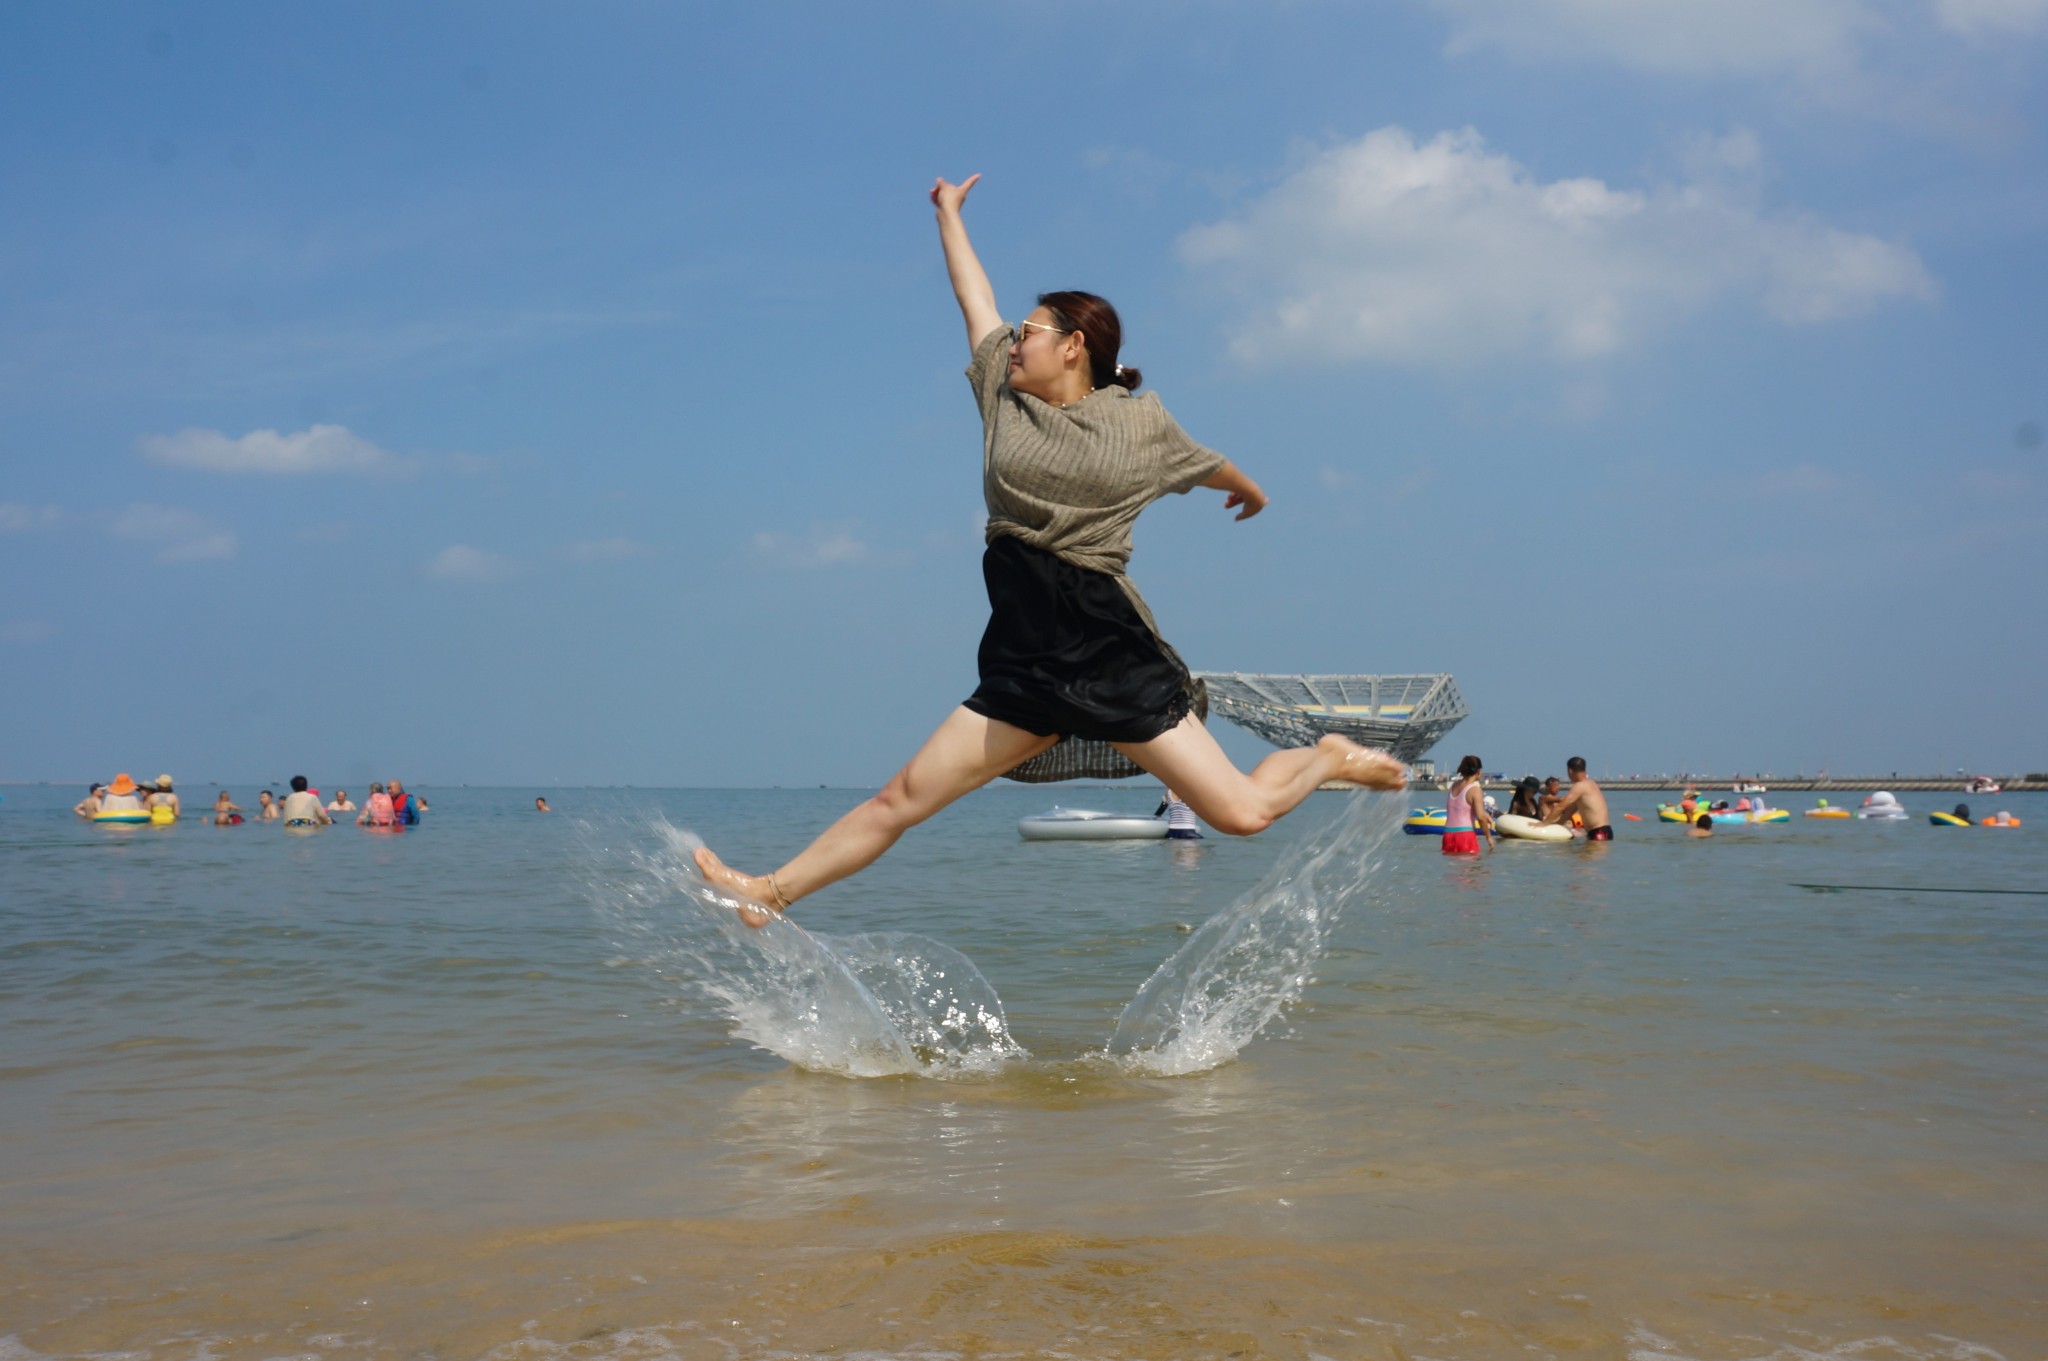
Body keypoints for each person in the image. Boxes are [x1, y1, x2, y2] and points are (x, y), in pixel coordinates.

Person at [690, 172, 1406, 922]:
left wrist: (1248, 488)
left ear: (1073, 347)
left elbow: (1205, 461)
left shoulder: (1141, 423)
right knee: (901, 796)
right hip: (1026, 655)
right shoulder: (1002, 397)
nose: (1014, 342)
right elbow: (974, 300)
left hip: (1109, 649)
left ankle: (1326, 756)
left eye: (1030, 333)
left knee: (1243, 814)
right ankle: (768, 893)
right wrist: (947, 215)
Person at [1543, 756, 1612, 841]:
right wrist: (1555, 824)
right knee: (1578, 854)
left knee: (1584, 854)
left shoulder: (1579, 786)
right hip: (1604, 831)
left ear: (1570, 771)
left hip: (1598, 832)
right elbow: (1569, 812)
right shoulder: (1591, 784)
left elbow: (1561, 806)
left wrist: (1543, 823)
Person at [1442, 754, 1494, 855]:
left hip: (1448, 835)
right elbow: (1480, 817)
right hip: (1465, 836)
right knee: (1473, 869)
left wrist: (1484, 814)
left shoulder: (1454, 785)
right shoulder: (1475, 790)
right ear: (1478, 772)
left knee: (1452, 869)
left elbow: (1461, 808)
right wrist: (1488, 837)